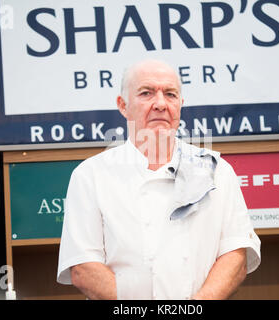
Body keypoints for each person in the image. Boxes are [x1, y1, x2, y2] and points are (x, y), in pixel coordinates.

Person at [57, 59, 261, 300]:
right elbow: (84, 268)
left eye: (171, 94)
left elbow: (235, 256)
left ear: (181, 104)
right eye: (147, 93)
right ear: (123, 105)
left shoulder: (218, 171)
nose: (161, 104)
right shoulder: (90, 175)